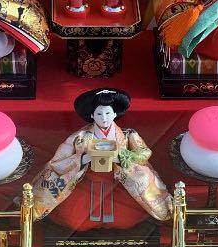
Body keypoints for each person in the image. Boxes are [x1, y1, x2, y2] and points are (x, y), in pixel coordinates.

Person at [31, 88, 172, 230]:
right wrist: (83, 158)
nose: (104, 118)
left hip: (119, 182)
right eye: (99, 113)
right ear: (92, 115)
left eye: (108, 113)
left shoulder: (128, 134)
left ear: (115, 113)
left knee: (126, 219)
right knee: (74, 218)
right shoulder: (80, 137)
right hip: (87, 181)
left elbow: (144, 153)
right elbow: (59, 161)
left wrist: (122, 158)